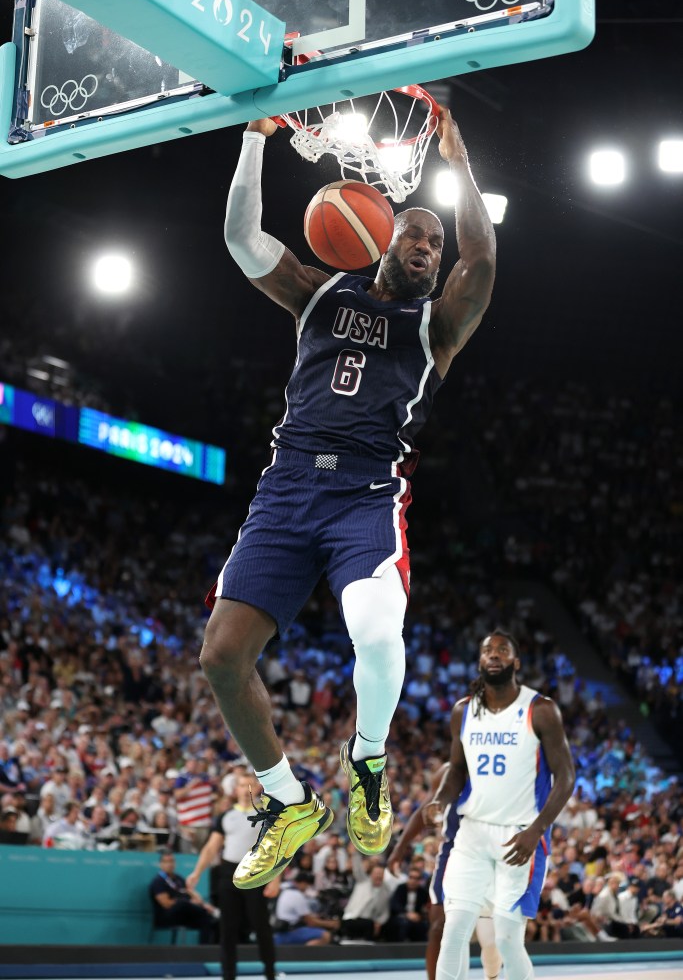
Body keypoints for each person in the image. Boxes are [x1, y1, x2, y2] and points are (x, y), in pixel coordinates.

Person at [200, 106, 496, 891]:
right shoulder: (318, 293)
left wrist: (460, 165)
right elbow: (239, 240)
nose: (429, 250)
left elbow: (485, 258)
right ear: (382, 236)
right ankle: (288, 801)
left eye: (436, 243)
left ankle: (367, 762)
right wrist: (254, 139)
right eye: (416, 236)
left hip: (365, 492)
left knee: (374, 627)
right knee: (221, 657)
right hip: (287, 487)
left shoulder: (438, 326)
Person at [424, 630, 575, 980]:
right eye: (487, 650)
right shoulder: (463, 712)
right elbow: (457, 771)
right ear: (480, 661)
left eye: (502, 650)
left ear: (515, 662)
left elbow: (566, 778)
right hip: (472, 832)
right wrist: (439, 801)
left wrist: (536, 830)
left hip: (520, 835)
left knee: (507, 939)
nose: (494, 655)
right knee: (454, 928)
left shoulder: (541, 710)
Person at [388, 763, 502, 980]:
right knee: (441, 926)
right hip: (453, 854)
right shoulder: (447, 772)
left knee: (491, 941)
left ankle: (493, 975)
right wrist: (400, 847)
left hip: (490, 855)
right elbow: (424, 811)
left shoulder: (497, 767)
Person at [186, 775, 278, 980]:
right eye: (242, 785)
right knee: (227, 928)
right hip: (228, 874)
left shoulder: (267, 816)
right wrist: (197, 872)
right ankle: (228, 975)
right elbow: (211, 848)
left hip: (256, 874)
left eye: (251, 784)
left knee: (261, 926)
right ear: (235, 789)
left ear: (258, 788)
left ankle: (270, 973)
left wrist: (276, 879)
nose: (246, 789)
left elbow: (276, 850)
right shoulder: (225, 817)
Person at [149, 849, 218, 944]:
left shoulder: (179, 879)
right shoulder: (158, 882)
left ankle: (205, 951)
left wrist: (202, 904)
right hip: (166, 916)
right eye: (166, 861)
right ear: (161, 864)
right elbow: (166, 904)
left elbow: (193, 895)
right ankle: (207, 911)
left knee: (207, 920)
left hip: (184, 915)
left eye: (172, 861)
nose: (169, 864)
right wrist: (187, 902)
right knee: (183, 903)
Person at [273, 870, 340, 946]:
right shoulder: (296, 895)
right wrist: (331, 924)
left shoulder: (285, 890)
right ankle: (304, 955)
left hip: (279, 932)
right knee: (325, 935)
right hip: (288, 933)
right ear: (302, 883)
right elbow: (311, 922)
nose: (307, 888)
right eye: (307, 885)